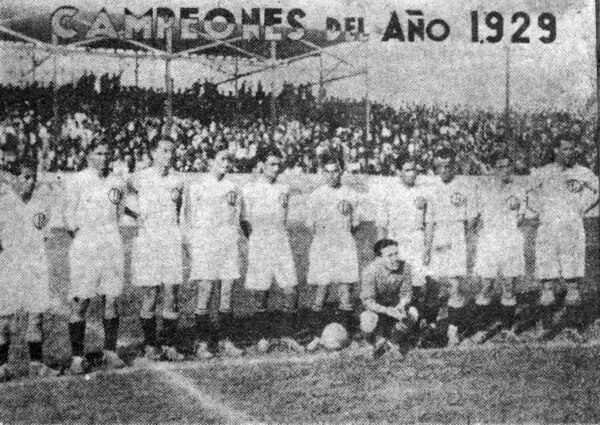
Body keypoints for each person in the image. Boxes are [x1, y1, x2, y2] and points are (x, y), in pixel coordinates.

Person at [65, 141, 126, 374]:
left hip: (111, 243)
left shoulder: (117, 182)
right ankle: (77, 358)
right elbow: (69, 216)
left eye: (107, 153)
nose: (104, 157)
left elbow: (118, 214)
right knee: (82, 301)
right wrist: (83, 238)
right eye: (99, 153)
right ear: (89, 155)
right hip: (86, 246)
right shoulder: (78, 180)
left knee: (111, 299)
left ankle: (109, 352)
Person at [528, 136, 598, 337]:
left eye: (572, 148)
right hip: (548, 230)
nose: (571, 152)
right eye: (566, 149)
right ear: (556, 149)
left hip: (573, 230)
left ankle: (572, 328)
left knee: (572, 281)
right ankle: (546, 326)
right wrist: (540, 210)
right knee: (547, 283)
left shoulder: (583, 172)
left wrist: (582, 207)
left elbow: (596, 191)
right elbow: (529, 195)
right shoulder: (544, 172)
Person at [0, 160, 60, 380]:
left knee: (36, 317)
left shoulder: (42, 203)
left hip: (36, 265)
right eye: (25, 177)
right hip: (9, 264)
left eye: (33, 177)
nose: (30, 181)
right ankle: (2, 366)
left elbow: (43, 235)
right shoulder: (4, 202)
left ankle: (36, 364)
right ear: (15, 178)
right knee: (4, 319)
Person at [241, 146, 303, 354]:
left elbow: (283, 217)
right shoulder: (250, 189)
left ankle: (287, 335)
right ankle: (263, 336)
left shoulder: (284, 189)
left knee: (291, 288)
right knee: (261, 291)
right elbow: (244, 220)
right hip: (260, 241)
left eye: (279, 164)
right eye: (272, 164)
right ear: (261, 165)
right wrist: (256, 239)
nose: (276, 168)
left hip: (281, 242)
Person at [183, 149, 243, 359]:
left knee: (226, 291)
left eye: (229, 160)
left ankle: (225, 340)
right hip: (205, 245)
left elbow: (237, 217)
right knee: (206, 290)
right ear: (211, 161)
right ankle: (201, 342)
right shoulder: (197, 186)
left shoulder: (233, 187)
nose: (226, 163)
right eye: (222, 159)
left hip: (227, 245)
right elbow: (187, 219)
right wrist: (190, 245)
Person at [129, 137, 185, 362]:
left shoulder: (178, 181)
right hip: (148, 242)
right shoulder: (139, 178)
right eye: (163, 151)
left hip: (170, 240)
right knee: (151, 294)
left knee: (172, 293)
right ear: (153, 153)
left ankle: (170, 345)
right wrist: (136, 216)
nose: (168, 156)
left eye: (171, 151)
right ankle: (151, 345)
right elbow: (123, 198)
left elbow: (178, 209)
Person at [304, 153, 362, 351]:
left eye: (335, 171)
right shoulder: (316, 195)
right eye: (327, 172)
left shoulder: (351, 195)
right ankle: (316, 335)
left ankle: (346, 334)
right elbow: (310, 225)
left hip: (345, 245)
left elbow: (355, 225)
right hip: (323, 246)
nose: (331, 175)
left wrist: (341, 236)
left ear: (341, 171)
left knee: (345, 290)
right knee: (322, 290)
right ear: (322, 172)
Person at [470, 152, 529, 343]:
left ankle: (508, 329)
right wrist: (481, 235)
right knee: (487, 285)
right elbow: (473, 219)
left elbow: (520, 218)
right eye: (500, 166)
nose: (505, 170)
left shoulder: (519, 190)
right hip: (489, 241)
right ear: (494, 169)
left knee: (509, 285)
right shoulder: (484, 189)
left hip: (510, 240)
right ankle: (481, 329)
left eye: (508, 166)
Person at [423, 148, 480, 346]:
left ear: (454, 166)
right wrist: (427, 249)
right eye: (439, 166)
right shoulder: (432, 188)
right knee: (435, 285)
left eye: (448, 166)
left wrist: (465, 241)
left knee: (455, 285)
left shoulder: (465, 186)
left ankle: (453, 331)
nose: (444, 170)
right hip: (438, 236)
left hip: (456, 236)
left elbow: (472, 219)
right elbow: (429, 222)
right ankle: (433, 327)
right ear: (435, 167)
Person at [376, 156, 429, 318]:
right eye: (407, 170)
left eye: (414, 170)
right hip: (396, 242)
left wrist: (427, 247)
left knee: (418, 282)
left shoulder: (423, 192)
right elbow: (381, 223)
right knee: (396, 282)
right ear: (399, 172)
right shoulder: (388, 192)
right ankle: (395, 320)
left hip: (416, 240)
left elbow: (429, 223)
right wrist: (381, 250)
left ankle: (417, 321)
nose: (411, 173)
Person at [359, 239, 418, 356]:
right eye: (390, 255)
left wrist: (401, 305)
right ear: (379, 258)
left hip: (394, 309)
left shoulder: (405, 267)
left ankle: (392, 342)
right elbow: (368, 301)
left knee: (413, 313)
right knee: (368, 319)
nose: (395, 258)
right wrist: (387, 311)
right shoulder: (370, 271)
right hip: (377, 310)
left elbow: (406, 293)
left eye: (396, 254)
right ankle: (370, 342)